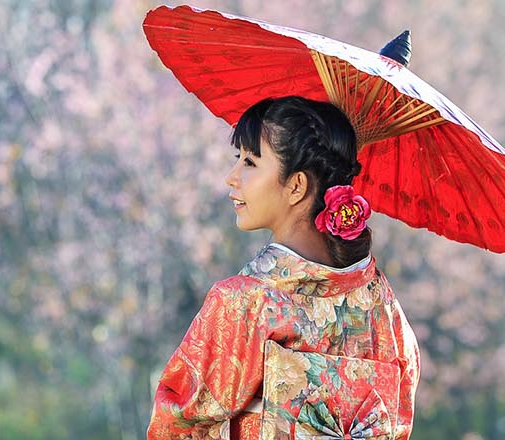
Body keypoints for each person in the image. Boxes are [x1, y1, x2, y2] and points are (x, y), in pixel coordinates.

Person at [146, 96, 420, 440]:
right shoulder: (384, 309)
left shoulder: (245, 302)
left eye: (249, 162)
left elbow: (177, 426)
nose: (232, 178)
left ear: (296, 186)